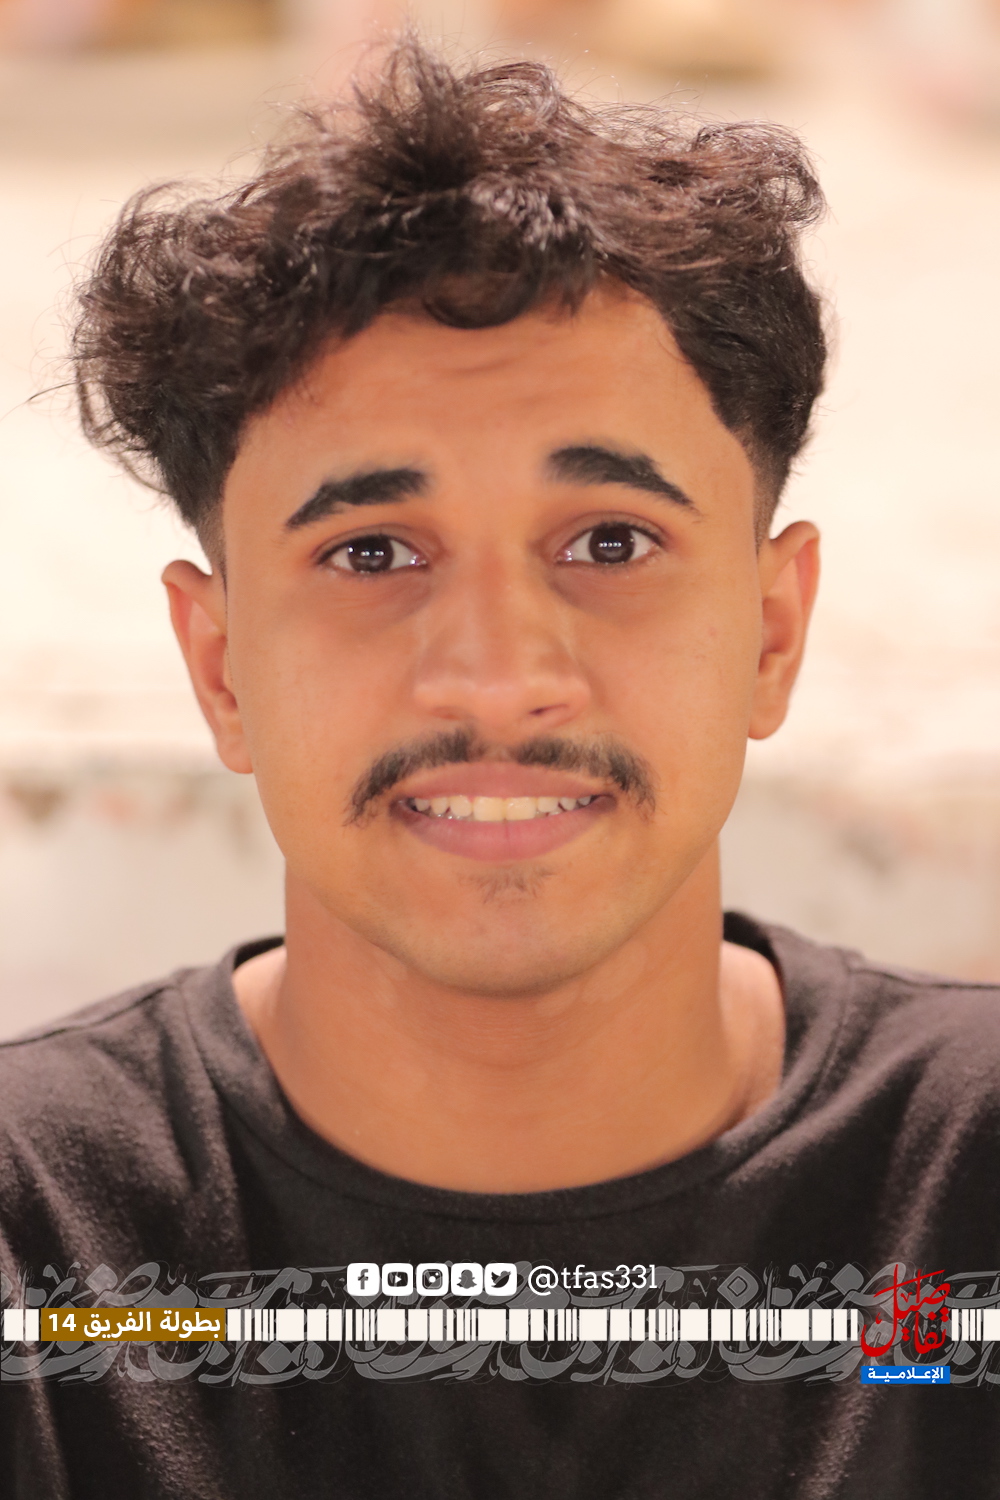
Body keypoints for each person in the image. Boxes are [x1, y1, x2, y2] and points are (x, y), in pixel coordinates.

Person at [2, 37, 999, 1500]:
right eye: (372, 554)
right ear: (219, 666)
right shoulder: (40, 1252)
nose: (495, 674)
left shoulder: (967, 1193)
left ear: (772, 632)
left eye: (611, 541)